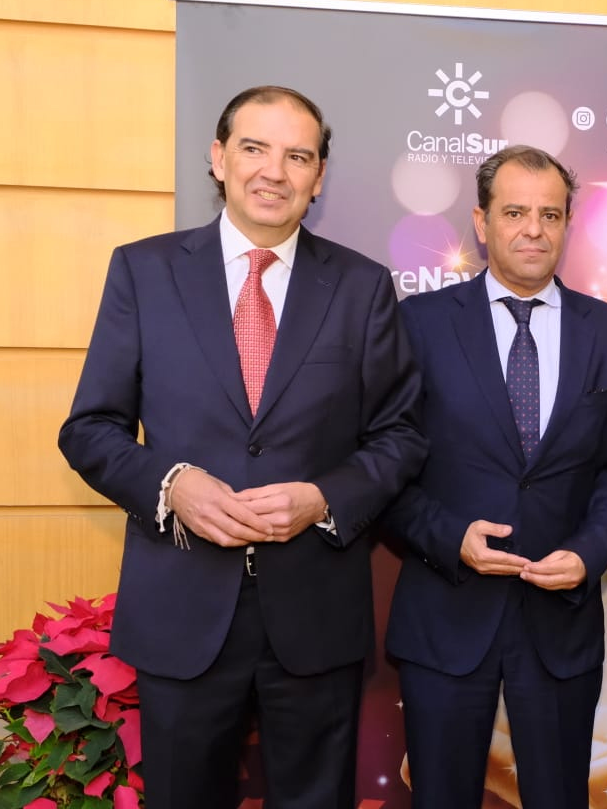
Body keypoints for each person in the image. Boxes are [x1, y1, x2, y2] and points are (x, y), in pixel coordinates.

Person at [58, 85, 426, 809]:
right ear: (219, 157)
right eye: (254, 148)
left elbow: (402, 433)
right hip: (182, 609)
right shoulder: (144, 271)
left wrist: (323, 498)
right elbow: (90, 428)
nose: (274, 172)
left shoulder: (362, 286)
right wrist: (173, 485)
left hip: (315, 612)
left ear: (319, 176)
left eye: (298, 156)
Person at [382, 144, 607, 808]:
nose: (534, 229)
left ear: (567, 225)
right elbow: (383, 467)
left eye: (550, 215)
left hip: (559, 625)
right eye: (515, 212)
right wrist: (451, 538)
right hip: (445, 616)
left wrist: (588, 554)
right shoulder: (418, 325)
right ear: (481, 221)